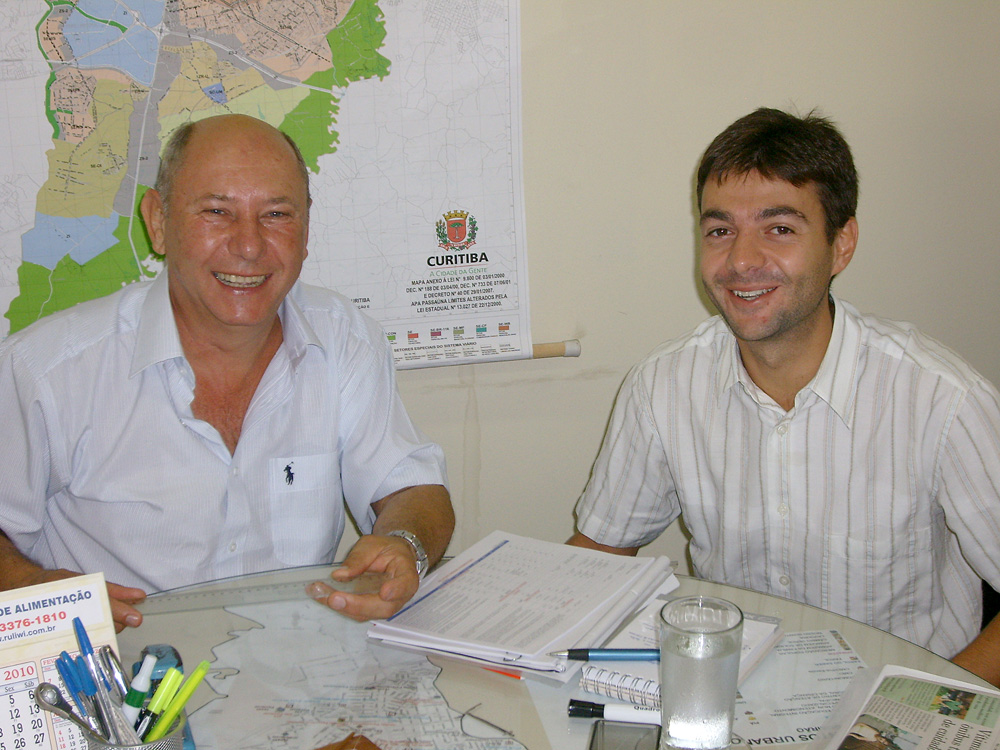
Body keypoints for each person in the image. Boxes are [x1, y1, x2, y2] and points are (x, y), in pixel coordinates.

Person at [568, 107, 1000, 685]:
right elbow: (599, 553)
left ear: (841, 244)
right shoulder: (663, 386)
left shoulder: (942, 401)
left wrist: (904, 711)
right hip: (735, 699)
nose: (741, 261)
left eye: (779, 229)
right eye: (720, 231)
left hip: (895, 707)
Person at [0, 114, 454, 630]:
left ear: (306, 230)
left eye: (277, 215)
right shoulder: (46, 370)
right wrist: (29, 586)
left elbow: (413, 487)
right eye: (217, 212)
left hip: (293, 663)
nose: (249, 245)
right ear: (158, 221)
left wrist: (405, 544)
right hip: (124, 666)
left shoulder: (345, 338)